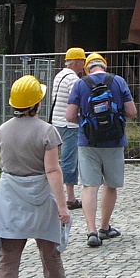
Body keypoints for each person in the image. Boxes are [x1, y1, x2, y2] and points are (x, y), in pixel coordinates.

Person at [0, 75, 72, 278]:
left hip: (10, 197)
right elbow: (52, 170)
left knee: (8, 257)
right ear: (37, 103)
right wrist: (63, 206)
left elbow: (4, 164)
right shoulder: (47, 131)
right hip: (41, 197)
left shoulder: (2, 130)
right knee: (49, 249)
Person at [66, 52, 137, 248]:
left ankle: (91, 231)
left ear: (87, 68)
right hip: (114, 141)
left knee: (90, 186)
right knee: (111, 185)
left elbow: (70, 116)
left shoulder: (80, 84)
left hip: (88, 142)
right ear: (104, 67)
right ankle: (105, 227)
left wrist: (86, 124)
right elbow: (132, 112)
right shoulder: (118, 81)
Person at [49, 47, 85, 210]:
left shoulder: (59, 75)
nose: (84, 64)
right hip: (69, 124)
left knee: (56, 159)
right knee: (69, 161)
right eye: (83, 61)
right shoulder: (73, 80)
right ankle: (69, 198)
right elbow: (75, 101)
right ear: (77, 62)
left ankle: (56, 194)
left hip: (56, 122)